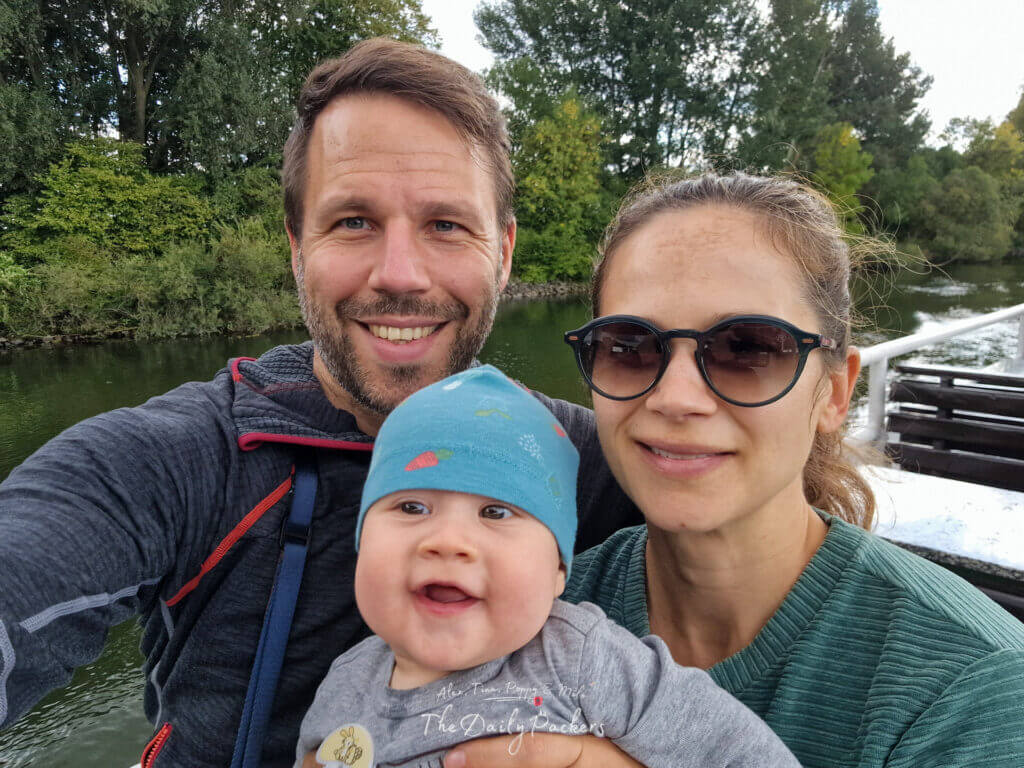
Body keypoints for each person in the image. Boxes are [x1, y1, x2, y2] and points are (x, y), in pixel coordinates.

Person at [0, 40, 642, 767]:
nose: (400, 275)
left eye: (446, 225)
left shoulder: (582, 456)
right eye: (353, 222)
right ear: (297, 247)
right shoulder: (185, 459)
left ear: (503, 250)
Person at [544, 171, 1024, 768]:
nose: (676, 398)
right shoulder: (533, 610)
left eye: (746, 348)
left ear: (835, 392)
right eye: (628, 345)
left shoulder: (972, 693)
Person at [294, 365, 800, 768]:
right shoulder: (345, 685)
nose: (447, 542)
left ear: (558, 571)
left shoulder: (584, 662)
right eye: (411, 508)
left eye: (496, 512)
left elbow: (737, 752)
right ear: (362, 542)